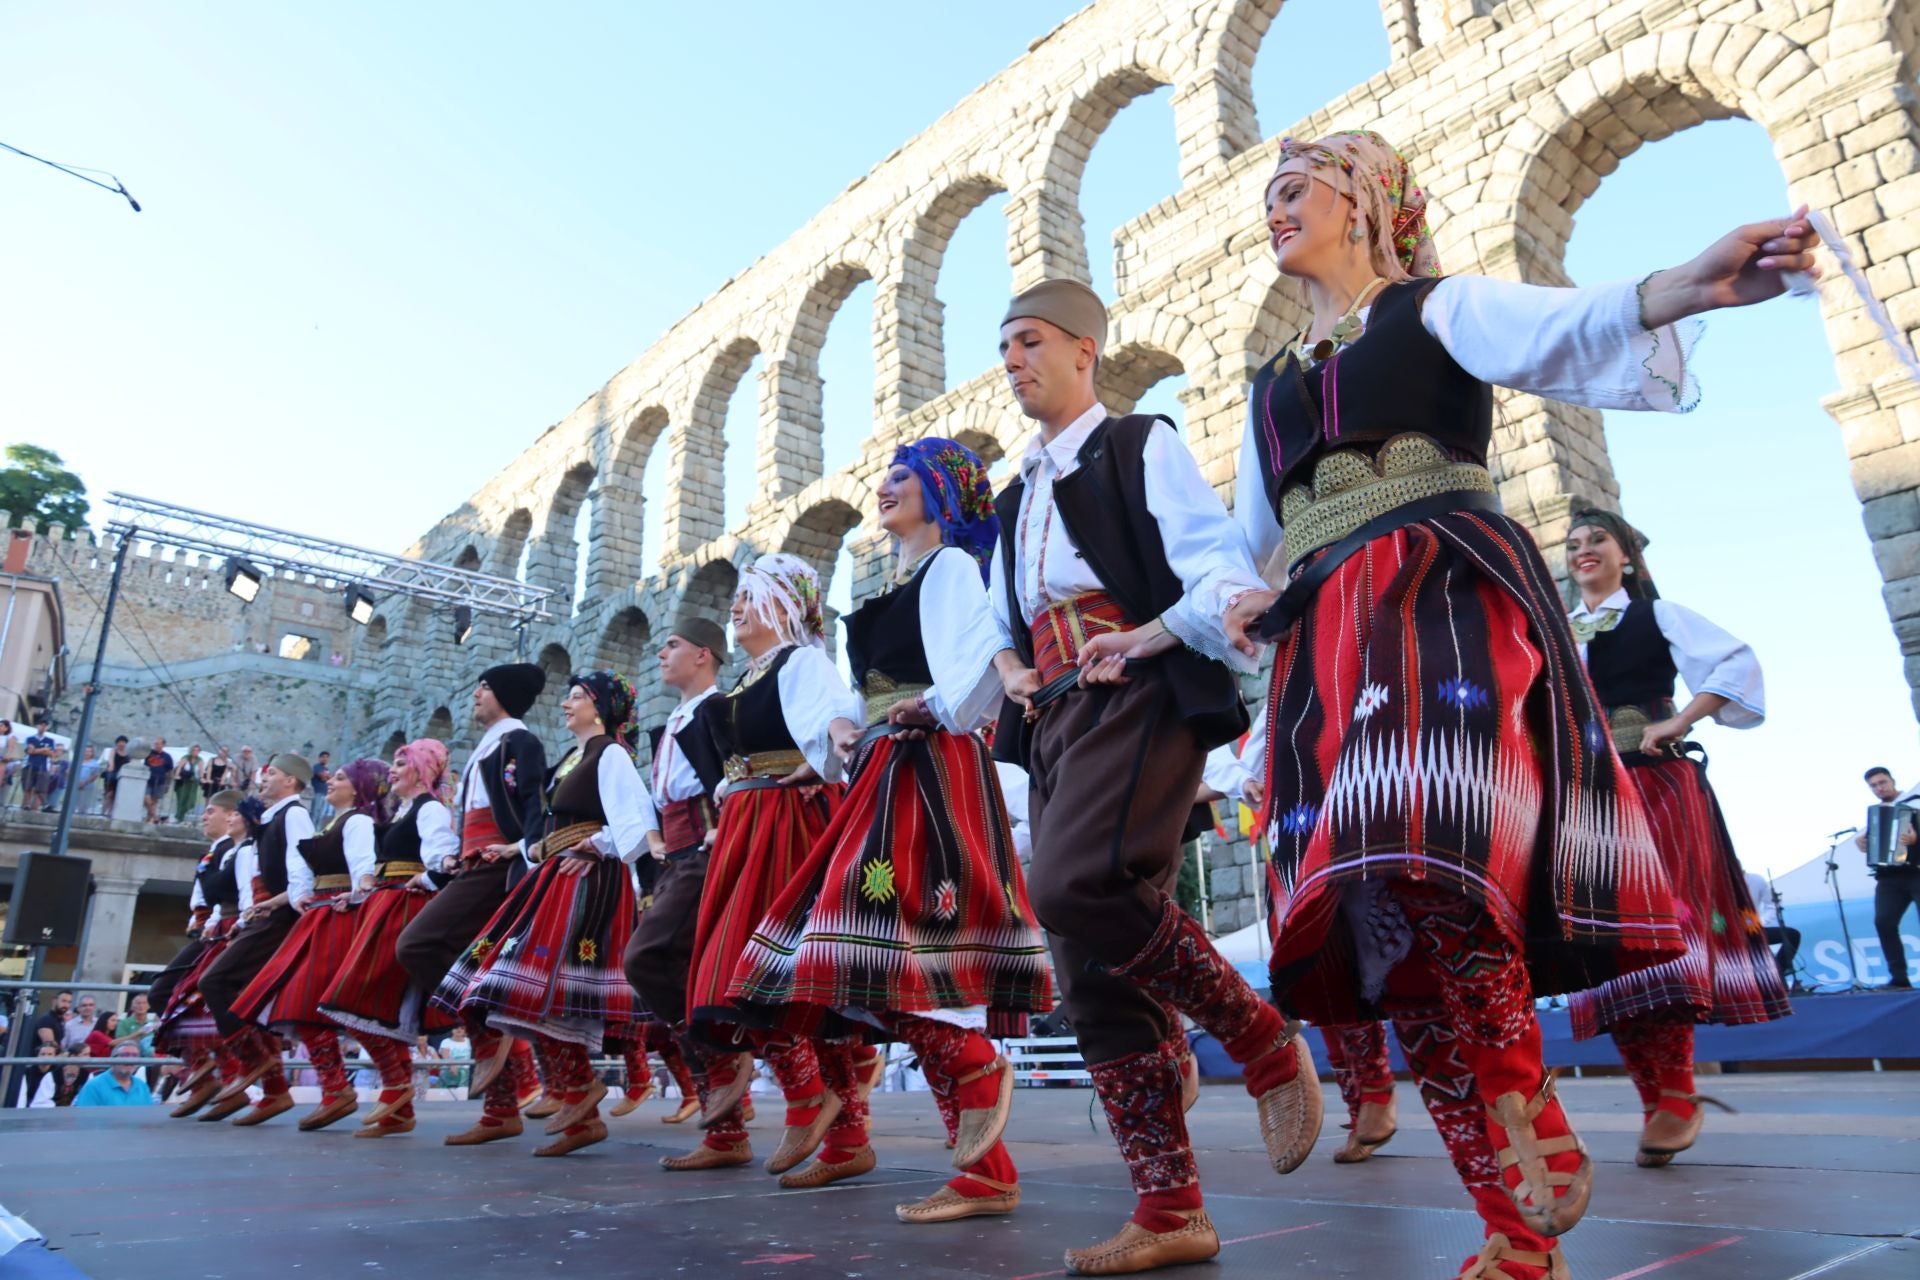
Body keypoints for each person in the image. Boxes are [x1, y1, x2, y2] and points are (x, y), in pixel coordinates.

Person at [1216, 131, 1817, 1279]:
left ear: (1364, 201)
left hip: (1441, 589)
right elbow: (1245, 539)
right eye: (1269, 196)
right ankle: (1510, 1217)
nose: (1275, 210)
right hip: (1324, 634)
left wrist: (1690, 281)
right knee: (1376, 910)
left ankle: (1517, 1072)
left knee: (1423, 835)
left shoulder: (1438, 308)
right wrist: (1235, 598)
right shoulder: (1267, 388)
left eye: (1295, 190)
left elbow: (1564, 325)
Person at [981, 277, 1305, 1276]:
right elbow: (1000, 631)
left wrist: (1171, 628)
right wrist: (1010, 671)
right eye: (1005, 348)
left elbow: (1208, 561)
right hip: (1057, 714)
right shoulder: (1011, 496)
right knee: (1085, 962)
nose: (1014, 361)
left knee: (1075, 881)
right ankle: (1170, 1207)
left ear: (1086, 349)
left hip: (1140, 685)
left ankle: (1252, 1032)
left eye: (1030, 341)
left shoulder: (1139, 443)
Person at [729, 438, 1053, 1217]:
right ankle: (985, 1168)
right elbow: (862, 694)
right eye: (883, 476)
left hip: (927, 766)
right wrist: (841, 735)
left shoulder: (946, 569)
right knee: (882, 959)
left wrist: (932, 709)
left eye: (902, 477)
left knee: (890, 945)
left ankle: (979, 1099)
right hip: (884, 763)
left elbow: (979, 658)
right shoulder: (896, 580)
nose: (884, 487)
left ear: (939, 492)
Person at [1563, 510, 1791, 1166]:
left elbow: (1734, 664)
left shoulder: (1656, 617)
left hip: (1658, 788)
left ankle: (1678, 1091)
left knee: (1660, 933)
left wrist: (1682, 719)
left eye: (1597, 541)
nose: (1584, 551)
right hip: (1589, 801)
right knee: (1605, 946)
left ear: (1626, 557)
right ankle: (1654, 1096)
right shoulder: (1555, 635)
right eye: (1574, 544)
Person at [671, 555, 862, 1176]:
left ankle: (821, 1113)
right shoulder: (746, 679)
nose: (736, 607)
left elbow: (835, 717)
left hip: (789, 825)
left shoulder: (801, 660)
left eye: (749, 596)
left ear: (784, 601)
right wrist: (729, 788)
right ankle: (841, 1134)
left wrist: (833, 750)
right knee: (749, 975)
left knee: (773, 974)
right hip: (747, 828)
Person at [436, 670, 657, 1157]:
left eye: (576, 697)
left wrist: (596, 846)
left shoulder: (610, 754)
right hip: (556, 875)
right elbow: (552, 829)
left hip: (586, 881)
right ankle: (581, 1108)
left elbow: (637, 824)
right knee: (534, 991)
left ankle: (578, 1096)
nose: (565, 704)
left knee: (536, 986)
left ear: (600, 708)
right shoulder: (572, 759)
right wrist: (522, 850)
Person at [394, 663, 550, 1146]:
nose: (475, 694)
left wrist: (521, 853)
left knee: (418, 943)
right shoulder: (489, 746)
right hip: (473, 866)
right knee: (470, 964)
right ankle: (502, 1106)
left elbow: (534, 808)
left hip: (495, 870)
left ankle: (489, 1032)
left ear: (501, 694)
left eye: (483, 687)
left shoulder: (519, 743)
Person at [229, 758, 390, 1131]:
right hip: (320, 913)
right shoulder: (334, 822)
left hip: (338, 916)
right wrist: (291, 897)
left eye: (339, 778)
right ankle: (336, 1089)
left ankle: (385, 1088)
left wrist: (356, 893)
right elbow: (307, 870)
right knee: (298, 1003)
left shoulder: (359, 821)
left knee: (324, 1004)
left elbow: (363, 865)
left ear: (360, 787)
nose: (330, 782)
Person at [320, 738, 459, 1138]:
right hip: (382, 905)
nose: (392, 770)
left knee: (359, 996)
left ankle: (397, 1090)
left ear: (421, 768)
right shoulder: (402, 810)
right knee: (358, 1001)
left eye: (401, 762)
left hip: (404, 907)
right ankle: (397, 1099)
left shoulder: (429, 808)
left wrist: (430, 877)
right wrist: (362, 890)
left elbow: (442, 856)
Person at [623, 615, 729, 1131]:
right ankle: (723, 1119)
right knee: (683, 971)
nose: (661, 654)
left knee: (647, 957)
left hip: (705, 853)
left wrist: (720, 826)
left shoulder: (717, 710)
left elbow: (736, 774)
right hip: (675, 857)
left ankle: (722, 1059)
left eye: (672, 645)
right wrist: (655, 842)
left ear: (703, 654)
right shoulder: (677, 720)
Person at [195, 752, 317, 1125]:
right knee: (237, 990)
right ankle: (270, 1082)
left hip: (280, 916)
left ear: (291, 782)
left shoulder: (294, 815)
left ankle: (258, 1064)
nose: (264, 779)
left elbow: (302, 866)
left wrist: (277, 904)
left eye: (273, 774)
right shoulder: (273, 818)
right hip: (266, 913)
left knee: (215, 981)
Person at [153, 793, 255, 1118]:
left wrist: (220, 924)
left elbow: (242, 896)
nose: (204, 817)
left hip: (225, 930)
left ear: (231, 816)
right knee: (182, 1001)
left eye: (211, 811)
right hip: (211, 930)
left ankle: (220, 1074)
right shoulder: (216, 853)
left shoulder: (236, 851)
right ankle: (210, 1075)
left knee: (177, 996)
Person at [1857, 767, 1920, 988]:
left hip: (1917, 872)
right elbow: (1868, 839)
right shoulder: (1877, 813)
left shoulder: (1915, 802)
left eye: (1882, 782)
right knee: (1884, 921)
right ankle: (1899, 978)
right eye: (1873, 786)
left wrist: (1916, 840)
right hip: (1890, 877)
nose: (1879, 788)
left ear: (1893, 780)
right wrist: (1862, 842)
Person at [1743, 869, 1801, 989]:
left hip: (1755, 929)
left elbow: (1772, 905)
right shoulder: (1720, 883)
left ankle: (1780, 970)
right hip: (1729, 933)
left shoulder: (1756, 880)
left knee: (1792, 935)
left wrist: (1761, 922)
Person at [73, 1044, 153, 1107]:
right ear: (113, 1059)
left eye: (135, 1056)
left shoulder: (142, 1086)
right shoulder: (93, 1087)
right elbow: (86, 1120)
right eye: (125, 1055)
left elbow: (149, 1117)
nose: (130, 1060)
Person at [20, 717, 56, 813]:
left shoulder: (50, 740)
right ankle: (26, 804)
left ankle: (44, 805)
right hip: (30, 765)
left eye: (45, 725)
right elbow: (30, 751)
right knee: (28, 786)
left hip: (43, 766)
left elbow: (51, 754)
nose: (43, 727)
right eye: (41, 725)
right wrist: (43, 750)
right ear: (37, 726)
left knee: (41, 787)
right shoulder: (30, 739)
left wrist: (37, 750)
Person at [142, 737, 175, 823]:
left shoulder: (167, 757)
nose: (155, 745)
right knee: (146, 798)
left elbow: (170, 771)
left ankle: (150, 818)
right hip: (148, 780)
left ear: (163, 745)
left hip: (160, 781)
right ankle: (155, 816)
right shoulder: (149, 753)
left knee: (154, 801)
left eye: (158, 744)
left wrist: (168, 784)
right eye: (155, 743)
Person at [174, 746, 205, 823]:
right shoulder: (186, 758)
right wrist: (177, 775)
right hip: (184, 782)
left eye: (197, 750)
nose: (196, 752)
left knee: (191, 801)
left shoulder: (200, 760)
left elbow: (201, 770)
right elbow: (179, 767)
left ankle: (181, 815)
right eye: (194, 750)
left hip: (193, 783)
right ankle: (179, 817)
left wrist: (202, 778)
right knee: (182, 799)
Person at [102, 735, 131, 816]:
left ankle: (111, 813)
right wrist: (111, 766)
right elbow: (111, 762)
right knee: (109, 794)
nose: (121, 744)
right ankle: (104, 812)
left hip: (123, 777)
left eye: (123, 742)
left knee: (117, 795)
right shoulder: (113, 751)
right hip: (113, 775)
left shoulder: (129, 753)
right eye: (120, 742)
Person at [311, 751, 335, 822]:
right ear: (319, 758)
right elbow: (322, 777)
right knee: (315, 813)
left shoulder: (326, 769)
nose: (325, 759)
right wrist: (327, 776)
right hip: (317, 793)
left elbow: (331, 779)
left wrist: (327, 776)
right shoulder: (316, 766)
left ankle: (317, 831)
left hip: (325, 794)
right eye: (323, 757)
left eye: (327, 757)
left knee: (321, 815)